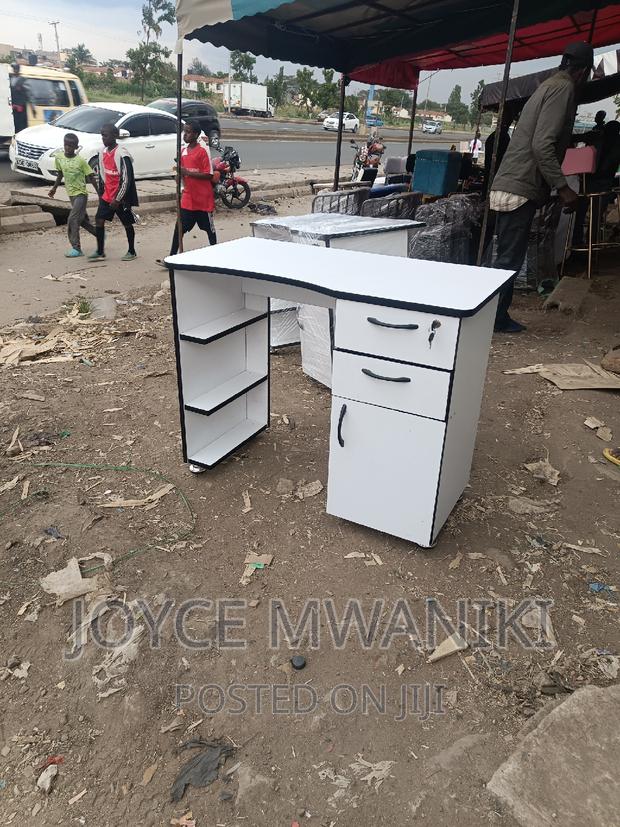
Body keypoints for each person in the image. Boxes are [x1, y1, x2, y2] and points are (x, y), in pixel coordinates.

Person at [489, 40, 593, 333]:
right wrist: (563, 188)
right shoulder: (563, 89)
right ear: (583, 71)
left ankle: (491, 316)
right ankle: (494, 319)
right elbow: (542, 145)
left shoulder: (549, 85)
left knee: (502, 257)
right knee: (507, 260)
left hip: (513, 183)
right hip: (519, 186)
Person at [165, 120, 218, 260]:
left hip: (203, 199)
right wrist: (179, 176)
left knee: (209, 230)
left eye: (188, 132)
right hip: (188, 198)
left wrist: (187, 172)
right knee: (179, 228)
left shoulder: (202, 151)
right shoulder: (182, 152)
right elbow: (181, 173)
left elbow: (208, 175)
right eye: (184, 132)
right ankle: (171, 257)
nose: (185, 135)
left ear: (195, 134)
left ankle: (217, 253)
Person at [88, 123, 139, 261]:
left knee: (127, 223)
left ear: (115, 136)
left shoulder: (122, 154)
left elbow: (126, 179)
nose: (103, 138)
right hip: (107, 195)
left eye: (106, 135)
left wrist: (118, 198)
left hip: (120, 197)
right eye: (102, 135)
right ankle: (100, 251)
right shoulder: (102, 152)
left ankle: (132, 251)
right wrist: (102, 192)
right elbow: (103, 175)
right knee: (99, 220)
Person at [48, 133, 97, 258]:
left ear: (75, 147)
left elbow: (91, 176)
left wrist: (100, 193)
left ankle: (76, 248)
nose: (67, 148)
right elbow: (60, 174)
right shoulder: (59, 158)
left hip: (81, 194)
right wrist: (54, 188)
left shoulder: (80, 161)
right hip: (71, 194)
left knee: (72, 219)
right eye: (66, 145)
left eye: (70, 145)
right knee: (82, 221)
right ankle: (99, 234)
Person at [572, 120, 620, 248]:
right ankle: (590, 244)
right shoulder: (613, 140)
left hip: (590, 180)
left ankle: (580, 243)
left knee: (581, 215)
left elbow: (575, 138)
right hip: (601, 182)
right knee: (594, 217)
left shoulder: (596, 136)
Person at [10, 63, 36, 134]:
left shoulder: (23, 80)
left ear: (18, 70)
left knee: (21, 129)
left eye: (15, 69)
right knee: (13, 128)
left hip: (21, 110)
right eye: (13, 69)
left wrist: (33, 108)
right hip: (12, 109)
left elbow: (30, 95)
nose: (14, 70)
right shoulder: (10, 79)